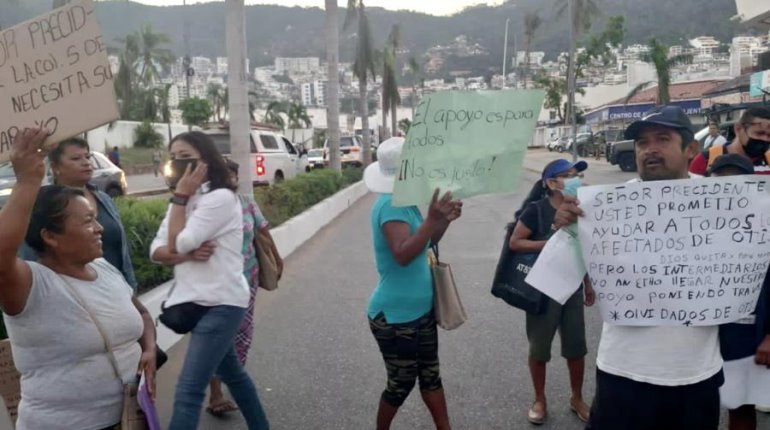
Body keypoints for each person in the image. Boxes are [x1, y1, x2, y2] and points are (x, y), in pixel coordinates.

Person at [554, 106, 724, 430]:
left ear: (691, 149)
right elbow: (562, 276)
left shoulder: (722, 202)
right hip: (623, 371)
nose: (650, 149)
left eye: (662, 139)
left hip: (695, 373)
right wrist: (565, 229)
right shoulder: (605, 206)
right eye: (643, 143)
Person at [0, 128, 156, 429]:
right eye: (87, 221)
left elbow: (143, 314)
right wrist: (29, 182)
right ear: (50, 236)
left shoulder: (105, 270)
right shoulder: (31, 286)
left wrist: (148, 350)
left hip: (129, 419)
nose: (99, 228)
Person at [150, 131, 269, 430]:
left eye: (186, 157)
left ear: (206, 160)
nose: (178, 162)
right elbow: (157, 250)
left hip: (221, 303)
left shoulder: (220, 198)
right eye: (174, 156)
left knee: (188, 390)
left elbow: (179, 242)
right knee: (233, 375)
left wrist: (180, 203)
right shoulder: (185, 201)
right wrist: (185, 254)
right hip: (194, 302)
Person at [364, 137, 463, 430]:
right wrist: (432, 219)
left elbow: (425, 244)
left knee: (431, 375)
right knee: (401, 383)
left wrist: (443, 221)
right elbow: (403, 254)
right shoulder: (391, 205)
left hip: (419, 311)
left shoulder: (405, 203)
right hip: (395, 317)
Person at [509, 159, 595, 425]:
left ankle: (577, 398)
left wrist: (588, 284)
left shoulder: (582, 208)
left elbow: (586, 247)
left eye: (576, 174)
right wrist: (549, 243)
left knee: (576, 348)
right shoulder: (536, 210)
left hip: (571, 288)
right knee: (539, 349)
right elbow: (516, 242)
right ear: (550, 183)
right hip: (542, 289)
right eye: (566, 175)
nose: (574, 178)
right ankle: (539, 399)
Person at [206, 160, 284, 417]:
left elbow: (262, 230)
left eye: (232, 175)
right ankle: (216, 395)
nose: (229, 180)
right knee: (219, 337)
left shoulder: (246, 202)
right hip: (218, 285)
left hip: (247, 280)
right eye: (223, 175)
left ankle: (232, 378)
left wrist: (276, 256)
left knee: (243, 334)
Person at [19, 137, 137, 289]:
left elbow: (122, 250)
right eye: (76, 158)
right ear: (55, 167)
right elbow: (31, 257)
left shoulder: (104, 199)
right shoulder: (43, 206)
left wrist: (130, 287)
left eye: (87, 157)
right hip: (71, 296)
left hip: (118, 291)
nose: (86, 162)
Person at [707, 154, 770, 430]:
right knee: (732, 403)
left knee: (747, 404)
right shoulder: (694, 223)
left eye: (736, 179)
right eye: (721, 180)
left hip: (753, 334)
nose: (728, 187)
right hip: (715, 334)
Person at [690, 107, 770, 176]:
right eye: (759, 133)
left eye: (769, 136)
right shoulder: (705, 160)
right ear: (738, 129)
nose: (765, 139)